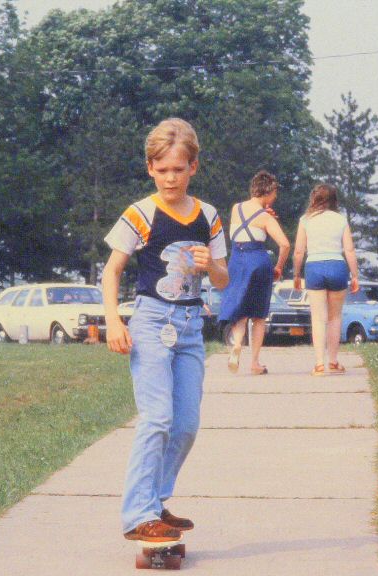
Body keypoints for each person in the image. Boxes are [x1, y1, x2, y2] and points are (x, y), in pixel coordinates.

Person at [101, 118, 229, 543]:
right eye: (162, 169)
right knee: (157, 418)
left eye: (179, 168)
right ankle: (138, 515)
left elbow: (225, 278)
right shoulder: (140, 213)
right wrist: (114, 321)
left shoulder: (207, 216)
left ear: (194, 166)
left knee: (186, 424)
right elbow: (112, 271)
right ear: (150, 169)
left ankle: (156, 502)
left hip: (191, 326)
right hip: (152, 321)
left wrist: (208, 264)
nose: (171, 177)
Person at [218, 170, 291, 375]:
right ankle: (255, 363)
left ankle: (236, 345)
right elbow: (285, 245)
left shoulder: (236, 208)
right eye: (274, 193)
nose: (275, 197)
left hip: (236, 261)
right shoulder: (266, 218)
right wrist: (278, 267)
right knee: (258, 316)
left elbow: (245, 222)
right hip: (258, 260)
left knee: (240, 311)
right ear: (267, 191)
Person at [291, 183, 359, 376]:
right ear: (333, 200)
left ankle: (319, 364)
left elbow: (298, 251)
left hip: (314, 266)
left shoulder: (305, 220)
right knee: (335, 317)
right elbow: (349, 250)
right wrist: (355, 275)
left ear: (314, 198)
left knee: (318, 318)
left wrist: (296, 275)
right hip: (337, 266)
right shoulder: (341, 220)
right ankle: (334, 362)